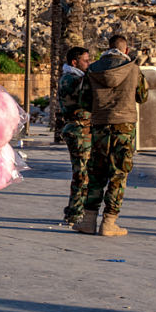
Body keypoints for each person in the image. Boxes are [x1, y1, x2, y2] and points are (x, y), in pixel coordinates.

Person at [74, 35, 148, 236]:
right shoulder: (133, 68)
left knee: (96, 174)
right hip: (124, 128)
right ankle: (109, 222)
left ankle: (88, 221)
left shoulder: (93, 69)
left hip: (99, 127)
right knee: (118, 174)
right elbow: (142, 96)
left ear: (107, 48)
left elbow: (84, 101)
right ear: (125, 50)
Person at [58, 46, 91, 225]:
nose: (89, 63)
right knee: (81, 173)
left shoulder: (76, 77)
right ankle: (75, 212)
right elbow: (85, 98)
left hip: (82, 129)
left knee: (83, 172)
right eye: (86, 61)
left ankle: (74, 208)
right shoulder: (70, 79)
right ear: (74, 62)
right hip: (78, 130)